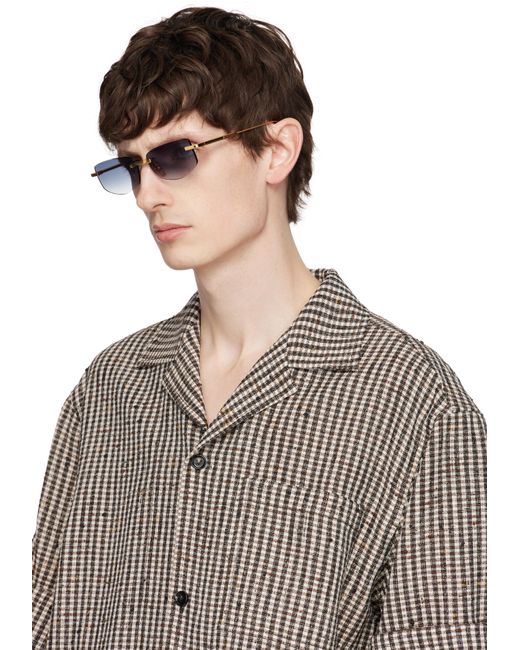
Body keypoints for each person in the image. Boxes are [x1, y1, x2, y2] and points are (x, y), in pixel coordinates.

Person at [32, 6, 487, 649]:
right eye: (130, 167)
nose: (147, 195)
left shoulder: (415, 403)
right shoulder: (107, 392)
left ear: (276, 150)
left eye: (175, 156)